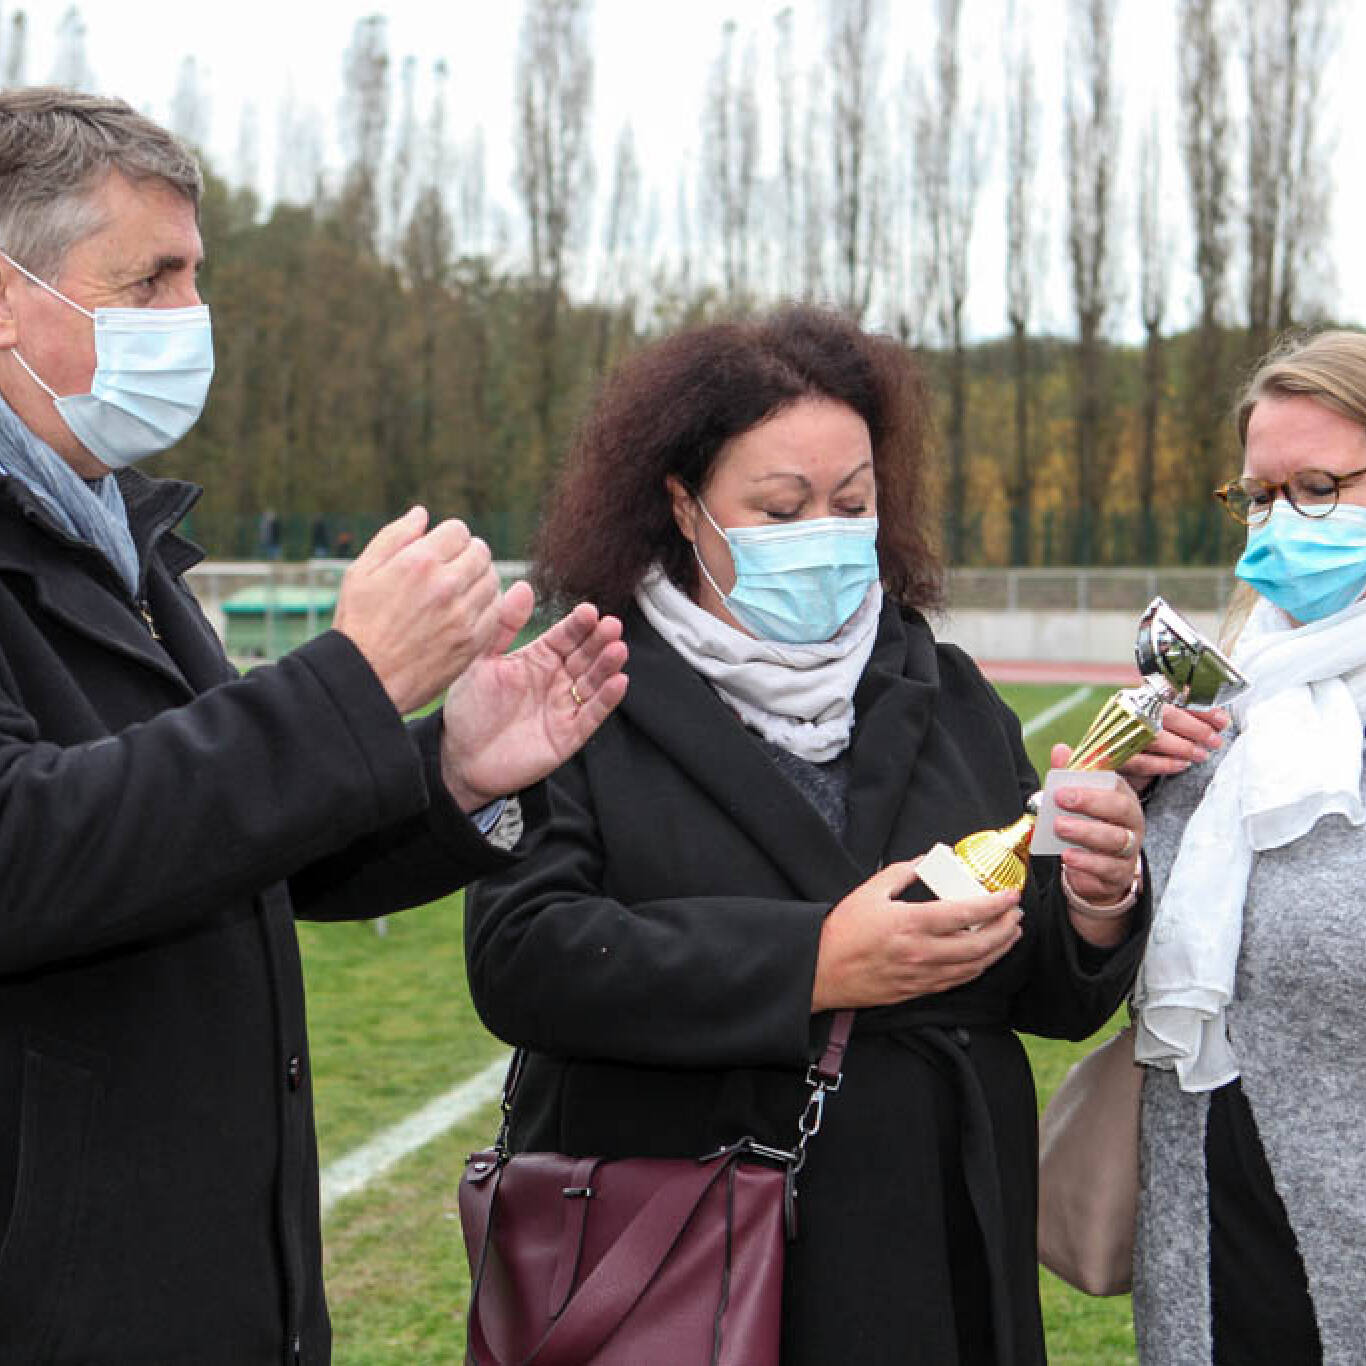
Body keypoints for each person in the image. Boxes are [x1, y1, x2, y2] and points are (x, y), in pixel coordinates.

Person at [0, 88, 627, 1364]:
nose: (192, 316)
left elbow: (229, 844)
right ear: (9, 301)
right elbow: (30, 850)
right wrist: (350, 679)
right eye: (150, 280)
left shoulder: (117, 534)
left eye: (195, 276)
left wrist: (449, 770)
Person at [465, 305, 1150, 1364]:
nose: (824, 534)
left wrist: (1098, 902)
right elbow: (524, 958)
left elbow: (1047, 990)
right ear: (682, 504)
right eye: (782, 509)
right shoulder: (586, 689)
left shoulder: (945, 689)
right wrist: (813, 963)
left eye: (852, 503)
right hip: (689, 1267)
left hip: (939, 1265)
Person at [1125, 329, 1366, 1366]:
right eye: (1260, 497)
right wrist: (1119, 809)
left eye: (1318, 488)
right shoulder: (1220, 694)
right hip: (1218, 1219)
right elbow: (1104, 958)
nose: (1281, 525)